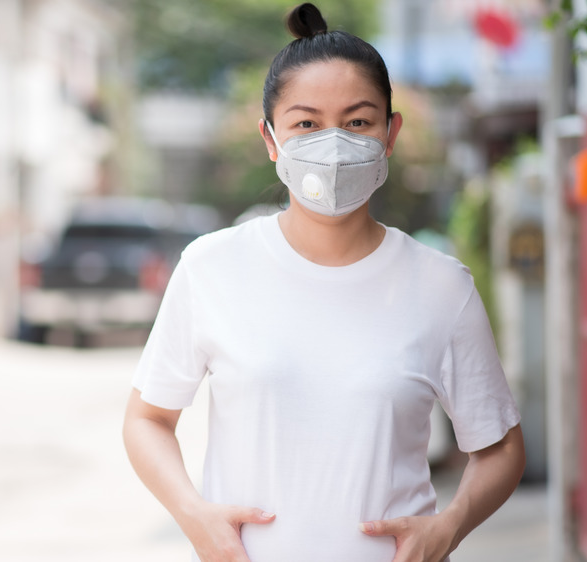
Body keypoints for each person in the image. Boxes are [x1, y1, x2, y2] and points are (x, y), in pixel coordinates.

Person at [121, 3, 526, 562]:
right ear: (271, 139)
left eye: (358, 121)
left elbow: (501, 446)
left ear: (390, 133)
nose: (333, 144)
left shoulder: (440, 286)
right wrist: (195, 517)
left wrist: (449, 526)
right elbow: (147, 419)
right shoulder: (211, 267)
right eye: (307, 123)